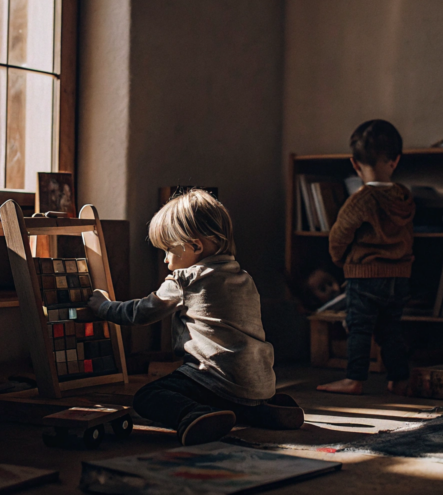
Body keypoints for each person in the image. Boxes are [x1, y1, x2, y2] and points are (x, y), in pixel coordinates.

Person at [87, 189, 303, 445]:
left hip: (213, 380)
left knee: (149, 395)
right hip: (258, 382)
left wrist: (103, 306)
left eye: (167, 250)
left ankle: (194, 414)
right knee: (235, 393)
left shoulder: (185, 280)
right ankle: (265, 410)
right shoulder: (244, 278)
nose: (166, 260)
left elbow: (140, 313)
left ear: (195, 245)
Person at [317, 119, 416, 396]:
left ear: (355, 164)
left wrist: (341, 261)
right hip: (399, 277)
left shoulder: (360, 200)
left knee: (359, 328)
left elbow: (339, 236)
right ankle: (399, 378)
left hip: (365, 277)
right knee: (390, 331)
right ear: (395, 161)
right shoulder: (403, 197)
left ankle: (354, 379)